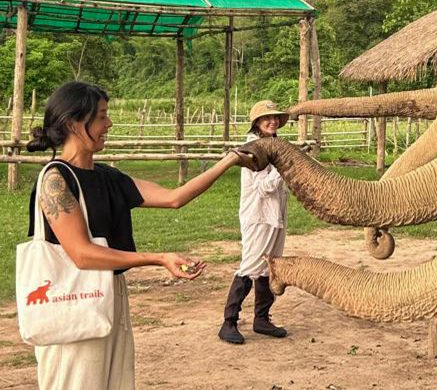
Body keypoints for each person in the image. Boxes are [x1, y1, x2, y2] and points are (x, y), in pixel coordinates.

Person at [25, 81, 241, 390]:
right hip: (72, 298)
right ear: (73, 123)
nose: (109, 124)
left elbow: (174, 197)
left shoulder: (109, 178)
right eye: (101, 116)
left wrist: (230, 159)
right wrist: (158, 258)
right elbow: (82, 254)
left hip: (110, 294)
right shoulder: (55, 181)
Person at [218, 100, 289, 344]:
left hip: (275, 216)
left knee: (270, 267)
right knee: (249, 267)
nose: (273, 121)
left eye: (275, 117)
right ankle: (229, 322)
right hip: (258, 216)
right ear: (257, 122)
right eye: (267, 118)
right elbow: (264, 188)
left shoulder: (275, 145)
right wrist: (283, 166)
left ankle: (262, 319)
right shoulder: (252, 150)